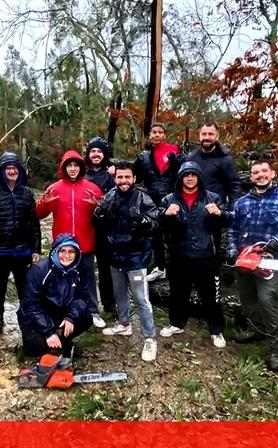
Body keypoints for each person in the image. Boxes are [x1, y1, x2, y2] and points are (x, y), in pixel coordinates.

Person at [228, 159, 278, 372]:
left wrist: (275, 241)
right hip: (244, 260)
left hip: (270, 260)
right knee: (248, 300)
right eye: (255, 172)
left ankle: (276, 350)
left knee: (266, 300)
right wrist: (233, 251)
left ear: (272, 173)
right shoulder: (242, 202)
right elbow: (233, 230)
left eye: (264, 171)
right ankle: (256, 330)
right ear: (251, 177)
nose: (260, 175)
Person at [93, 161, 159, 362]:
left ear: (134, 178)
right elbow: (98, 222)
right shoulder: (109, 197)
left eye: (127, 177)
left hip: (136, 256)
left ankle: (150, 338)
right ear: (115, 178)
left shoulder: (143, 198)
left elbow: (156, 222)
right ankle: (124, 323)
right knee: (119, 292)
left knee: (141, 298)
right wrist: (99, 214)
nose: (123, 181)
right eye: (120, 177)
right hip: (115, 254)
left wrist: (143, 222)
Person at [158, 161, 228, 348]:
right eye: (186, 175)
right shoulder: (169, 199)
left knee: (211, 295)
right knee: (178, 293)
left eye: (193, 175)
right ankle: (177, 323)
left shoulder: (212, 198)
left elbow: (229, 219)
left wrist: (219, 213)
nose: (189, 178)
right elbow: (158, 224)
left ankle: (216, 329)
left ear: (199, 177)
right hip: (179, 255)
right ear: (180, 178)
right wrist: (166, 215)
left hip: (206, 255)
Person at [35, 150, 106, 328]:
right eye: (69, 165)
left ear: (81, 167)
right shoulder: (54, 188)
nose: (73, 169)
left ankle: (93, 311)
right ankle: (61, 312)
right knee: (60, 279)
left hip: (86, 242)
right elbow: (39, 214)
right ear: (64, 168)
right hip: (62, 245)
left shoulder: (92, 188)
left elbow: (104, 215)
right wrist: (44, 203)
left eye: (76, 165)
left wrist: (99, 206)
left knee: (88, 278)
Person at [0, 152, 41, 336]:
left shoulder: (27, 193)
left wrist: (36, 248)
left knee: (25, 289)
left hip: (23, 251)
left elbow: (34, 223)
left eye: (15, 168)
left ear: (20, 170)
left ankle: (27, 319)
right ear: (2, 170)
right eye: (8, 168)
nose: (12, 171)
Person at [17, 234, 94, 358]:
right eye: (62, 251)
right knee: (36, 348)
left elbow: (83, 297)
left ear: (77, 253)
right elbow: (31, 305)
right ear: (55, 251)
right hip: (36, 315)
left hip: (61, 312)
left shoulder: (81, 269)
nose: (67, 256)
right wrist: (49, 332)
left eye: (71, 252)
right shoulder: (38, 270)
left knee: (86, 318)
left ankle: (61, 341)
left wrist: (70, 317)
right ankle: (48, 340)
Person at [133, 123, 181, 282]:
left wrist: (176, 163)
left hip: (172, 199)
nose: (156, 135)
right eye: (154, 132)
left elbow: (187, 173)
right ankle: (160, 267)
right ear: (150, 135)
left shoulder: (177, 152)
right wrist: (143, 196)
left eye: (160, 132)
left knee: (174, 235)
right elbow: (136, 178)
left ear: (164, 135)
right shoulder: (143, 156)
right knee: (155, 235)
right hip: (151, 200)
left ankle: (177, 268)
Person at [83, 137, 116, 314]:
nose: (96, 154)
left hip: (105, 226)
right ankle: (85, 302)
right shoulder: (82, 174)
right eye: (92, 151)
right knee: (85, 266)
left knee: (105, 266)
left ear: (104, 154)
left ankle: (109, 301)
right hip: (85, 224)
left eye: (99, 151)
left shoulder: (111, 174)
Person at [185, 122, 242, 207]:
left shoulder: (225, 159)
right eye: (204, 134)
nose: (207, 137)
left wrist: (232, 210)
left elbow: (234, 187)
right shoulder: (191, 158)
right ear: (199, 136)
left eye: (211, 134)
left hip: (216, 210)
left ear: (217, 136)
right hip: (193, 209)